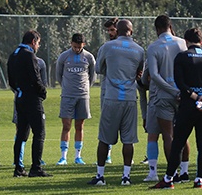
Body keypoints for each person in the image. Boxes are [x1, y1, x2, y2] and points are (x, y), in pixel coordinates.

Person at [150, 28, 202, 189]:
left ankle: (168, 179)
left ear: (186, 41)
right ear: (201, 40)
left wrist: (194, 95)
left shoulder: (182, 57)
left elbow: (180, 83)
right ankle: (199, 180)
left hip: (188, 105)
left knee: (178, 143)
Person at [89, 19, 144, 186]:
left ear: (116, 31)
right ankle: (126, 177)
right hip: (129, 98)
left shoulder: (107, 47)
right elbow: (139, 72)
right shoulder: (139, 50)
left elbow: (98, 69)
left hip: (112, 96)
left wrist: (112, 70)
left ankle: (100, 176)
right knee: (128, 139)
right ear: (131, 32)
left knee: (104, 138)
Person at [143, 15, 186, 183]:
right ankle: (183, 171)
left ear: (157, 29)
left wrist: (171, 90)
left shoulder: (154, 47)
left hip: (162, 95)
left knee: (164, 135)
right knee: (182, 135)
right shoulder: (182, 43)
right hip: (183, 95)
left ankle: (169, 173)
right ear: (170, 26)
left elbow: (154, 74)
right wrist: (182, 90)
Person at [9, 30, 51, 177]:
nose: (38, 46)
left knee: (21, 133)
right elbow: (35, 78)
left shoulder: (13, 54)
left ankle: (18, 168)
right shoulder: (29, 55)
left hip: (19, 97)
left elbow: (11, 81)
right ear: (33, 42)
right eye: (38, 43)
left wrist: (19, 90)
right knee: (39, 132)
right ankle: (36, 167)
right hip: (32, 98)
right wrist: (42, 92)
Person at [55, 33, 96, 165]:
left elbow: (92, 76)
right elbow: (58, 75)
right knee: (66, 125)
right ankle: (63, 157)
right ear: (71, 43)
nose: (77, 49)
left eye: (79, 47)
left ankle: (78, 156)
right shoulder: (64, 56)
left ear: (83, 45)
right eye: (74, 46)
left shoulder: (89, 57)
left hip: (83, 96)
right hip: (67, 95)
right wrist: (66, 87)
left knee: (80, 125)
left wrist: (85, 88)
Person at [100, 17, 119, 164]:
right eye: (108, 30)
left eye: (112, 30)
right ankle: (108, 155)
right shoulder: (106, 46)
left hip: (119, 92)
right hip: (108, 89)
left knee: (124, 126)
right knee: (107, 124)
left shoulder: (108, 48)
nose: (110, 33)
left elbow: (99, 68)